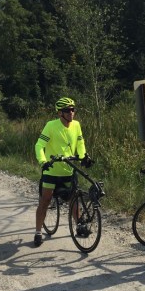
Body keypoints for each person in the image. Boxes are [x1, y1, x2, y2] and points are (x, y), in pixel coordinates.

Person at [34, 97, 92, 247]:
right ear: (60, 113)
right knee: (45, 200)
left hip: (69, 169)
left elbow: (80, 142)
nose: (71, 112)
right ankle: (38, 231)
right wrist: (43, 161)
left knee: (74, 199)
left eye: (73, 109)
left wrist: (83, 156)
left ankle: (79, 225)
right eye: (67, 110)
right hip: (51, 170)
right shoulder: (51, 126)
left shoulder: (76, 125)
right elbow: (39, 145)